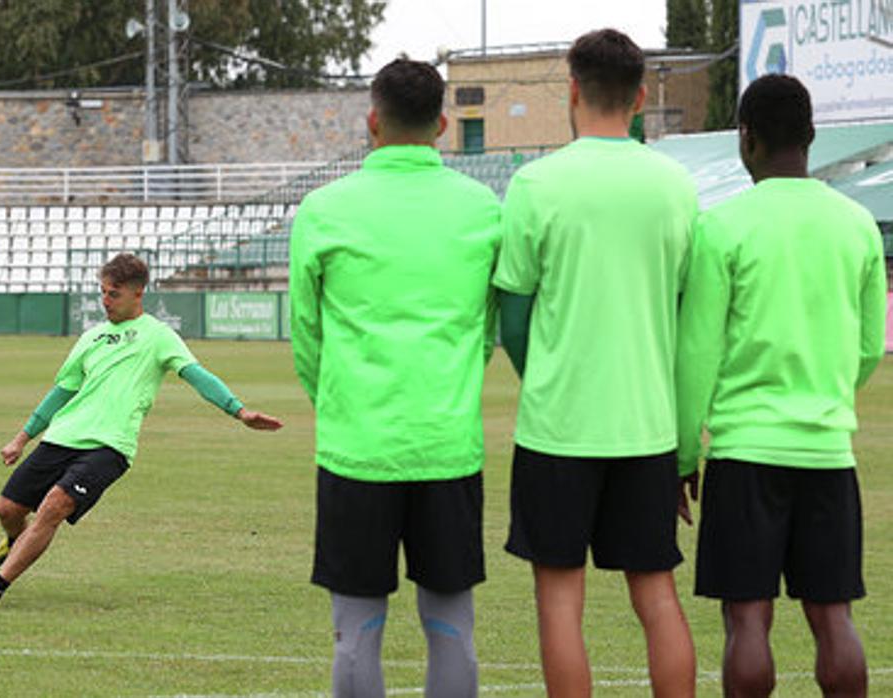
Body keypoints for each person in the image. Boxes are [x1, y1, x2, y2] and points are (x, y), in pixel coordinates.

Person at [491, 29, 698, 697]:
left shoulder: (535, 183)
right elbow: (689, 311)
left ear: (572, 91)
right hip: (647, 424)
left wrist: (547, 375)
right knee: (657, 594)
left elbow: (513, 316)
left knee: (559, 601)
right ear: (640, 97)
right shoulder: (676, 186)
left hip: (558, 426)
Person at [289, 58, 501, 698]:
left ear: (371, 121)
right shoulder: (483, 208)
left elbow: (306, 338)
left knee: (356, 631)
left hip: (358, 447)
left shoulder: (324, 210)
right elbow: (488, 330)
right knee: (451, 626)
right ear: (442, 124)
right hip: (446, 443)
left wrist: (344, 399)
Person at [676, 74, 886, 697]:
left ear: (746, 140)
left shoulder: (723, 227)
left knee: (747, 618)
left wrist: (686, 454)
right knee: (833, 617)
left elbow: (697, 355)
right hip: (826, 449)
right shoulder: (857, 225)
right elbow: (868, 348)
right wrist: (823, 394)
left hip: (745, 453)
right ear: (813, 138)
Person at [0, 252, 283, 609]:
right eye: (102, 292)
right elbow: (62, 391)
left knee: (53, 507)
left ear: (138, 293)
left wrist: (239, 411)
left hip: (109, 448)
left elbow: (197, 375)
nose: (105, 301)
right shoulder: (92, 337)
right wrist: (22, 437)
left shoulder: (159, 336)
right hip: (62, 436)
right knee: (8, 509)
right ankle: (15, 541)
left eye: (113, 294)